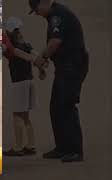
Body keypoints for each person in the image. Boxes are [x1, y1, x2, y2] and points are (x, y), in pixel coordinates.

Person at [29, 0, 89, 162]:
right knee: (56, 107)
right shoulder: (55, 14)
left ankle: (75, 150)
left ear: (43, 3)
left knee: (67, 107)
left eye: (36, 9)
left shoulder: (58, 15)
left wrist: (42, 57)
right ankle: (63, 147)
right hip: (65, 66)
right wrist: (48, 57)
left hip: (72, 66)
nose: (36, 13)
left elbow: (55, 42)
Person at [4, 17, 46, 156]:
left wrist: (37, 62)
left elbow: (17, 53)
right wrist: (40, 65)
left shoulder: (11, 48)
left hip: (19, 83)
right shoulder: (26, 44)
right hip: (30, 82)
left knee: (17, 115)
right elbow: (36, 55)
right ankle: (30, 145)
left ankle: (18, 147)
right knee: (26, 116)